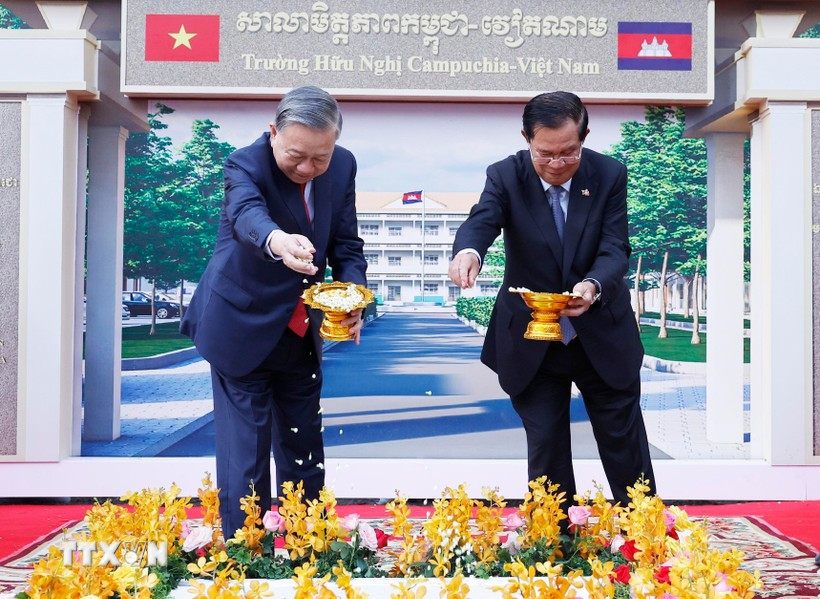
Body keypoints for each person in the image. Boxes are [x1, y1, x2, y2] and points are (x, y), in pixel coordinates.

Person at [448, 91, 654, 507]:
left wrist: (592, 286)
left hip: (599, 330)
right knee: (547, 448)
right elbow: (483, 220)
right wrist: (468, 252)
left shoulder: (609, 174)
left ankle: (644, 536)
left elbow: (615, 247)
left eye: (568, 153)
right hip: (533, 336)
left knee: (624, 443)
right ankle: (555, 545)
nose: (557, 164)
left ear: (585, 136)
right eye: (545, 154)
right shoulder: (505, 176)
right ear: (526, 138)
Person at [181, 86, 367, 538]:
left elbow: (346, 243)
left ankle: (307, 548)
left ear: (335, 143)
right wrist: (279, 242)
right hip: (239, 325)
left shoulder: (342, 166)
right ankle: (247, 556)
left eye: (319, 158)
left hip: (300, 331)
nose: (307, 169)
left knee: (304, 445)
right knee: (246, 454)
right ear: (273, 133)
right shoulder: (245, 163)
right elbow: (247, 215)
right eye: (296, 156)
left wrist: (354, 295)